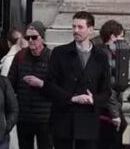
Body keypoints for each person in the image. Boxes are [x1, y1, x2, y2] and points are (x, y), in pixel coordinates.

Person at [46, 11, 111, 149]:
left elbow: (106, 90)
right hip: (64, 119)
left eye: (80, 27)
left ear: (90, 29)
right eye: (74, 26)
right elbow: (49, 85)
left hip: (88, 120)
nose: (76, 30)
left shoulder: (101, 56)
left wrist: (93, 99)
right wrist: (72, 98)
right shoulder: (60, 53)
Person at [7, 22, 53, 149]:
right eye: (27, 38)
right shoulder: (20, 56)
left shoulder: (52, 57)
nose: (31, 40)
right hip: (24, 116)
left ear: (42, 38)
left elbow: (58, 87)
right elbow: (10, 83)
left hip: (45, 117)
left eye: (34, 37)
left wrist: (41, 84)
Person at [97, 20, 128, 149]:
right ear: (113, 37)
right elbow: (108, 86)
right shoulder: (107, 56)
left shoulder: (101, 53)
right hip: (107, 111)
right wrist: (115, 114)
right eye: (121, 37)